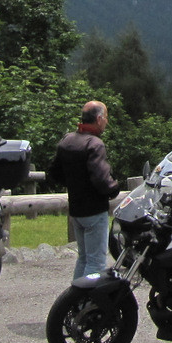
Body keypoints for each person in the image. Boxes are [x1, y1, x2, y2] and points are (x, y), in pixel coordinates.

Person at [52, 100, 121, 286]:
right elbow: (101, 178)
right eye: (105, 118)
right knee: (96, 261)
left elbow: (55, 173)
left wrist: (75, 183)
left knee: (83, 258)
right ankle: (86, 302)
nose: (106, 122)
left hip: (76, 210)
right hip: (94, 210)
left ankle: (73, 300)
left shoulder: (67, 140)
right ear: (99, 119)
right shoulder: (95, 144)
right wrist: (114, 188)